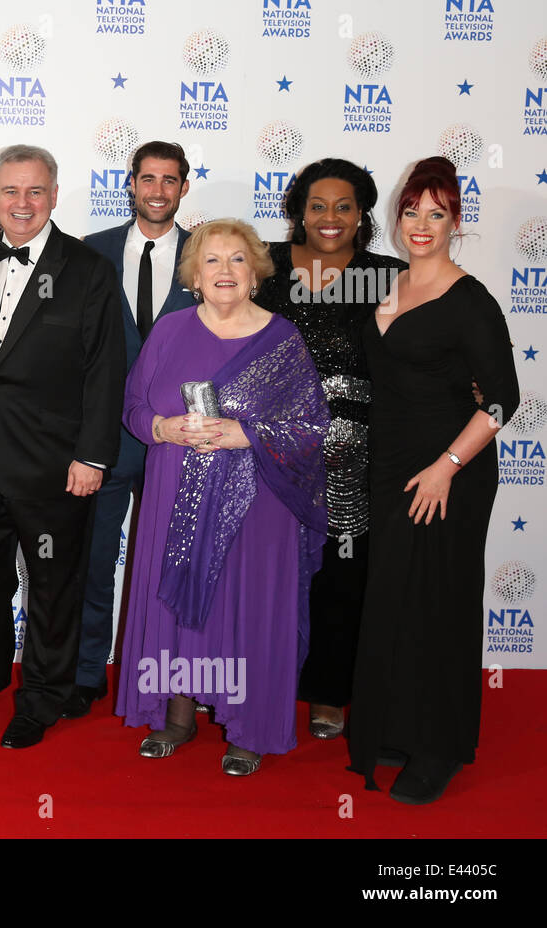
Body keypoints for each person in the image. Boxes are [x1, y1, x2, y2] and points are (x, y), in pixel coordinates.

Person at [115, 219, 329, 776]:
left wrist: (247, 434)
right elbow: (134, 408)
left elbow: (311, 428)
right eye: (212, 261)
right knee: (176, 597)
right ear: (194, 275)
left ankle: (250, 728)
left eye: (238, 260)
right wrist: (163, 428)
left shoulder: (282, 339)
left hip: (257, 502)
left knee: (248, 602)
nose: (225, 271)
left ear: (256, 272)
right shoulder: (168, 331)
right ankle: (177, 717)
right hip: (174, 491)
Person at [349, 156, 519, 804]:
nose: (422, 225)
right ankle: (396, 724)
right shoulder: (391, 288)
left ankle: (440, 745)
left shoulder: (470, 300)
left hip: (449, 469)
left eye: (437, 214)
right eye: (413, 211)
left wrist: (448, 467)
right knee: (397, 600)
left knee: (440, 605)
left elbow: (502, 400)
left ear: (456, 221)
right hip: (391, 465)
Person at [0, 144, 124, 750]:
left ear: (53, 195)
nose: (21, 204)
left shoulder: (88, 268)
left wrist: (94, 455)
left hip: (56, 463)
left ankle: (43, 698)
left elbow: (107, 369)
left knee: (53, 585)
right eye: (9, 191)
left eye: (34, 192)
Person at [252, 158, 406, 741]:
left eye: (344, 206)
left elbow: (421, 349)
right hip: (271, 443)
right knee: (269, 569)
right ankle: (261, 682)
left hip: (354, 450)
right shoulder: (264, 267)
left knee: (343, 572)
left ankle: (328, 692)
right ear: (298, 210)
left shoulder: (388, 276)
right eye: (318, 205)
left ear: (362, 213)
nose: (330, 218)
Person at [69, 140, 196, 719]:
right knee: (93, 560)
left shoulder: (211, 256)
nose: (158, 191)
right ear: (131, 184)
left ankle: (171, 680)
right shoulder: (90, 253)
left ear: (184, 188)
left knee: (176, 567)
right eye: (148, 179)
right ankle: (87, 671)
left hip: (183, 442)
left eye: (169, 181)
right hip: (104, 438)